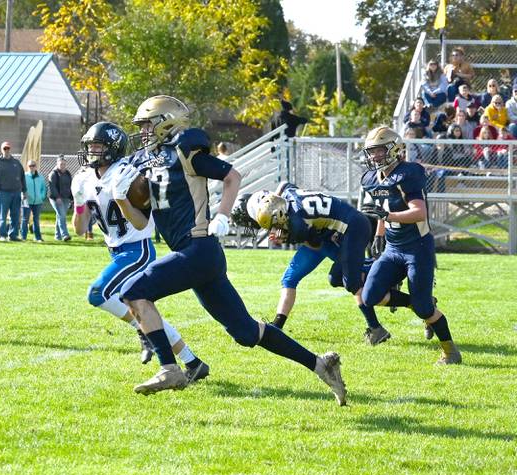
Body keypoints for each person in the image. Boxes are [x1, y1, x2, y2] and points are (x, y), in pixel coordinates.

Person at [115, 95, 346, 405]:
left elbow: (232, 175)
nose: (142, 132)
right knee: (247, 333)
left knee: (133, 291)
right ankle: (321, 364)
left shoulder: (186, 152)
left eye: (147, 125)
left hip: (198, 248)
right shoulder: (149, 162)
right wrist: (122, 200)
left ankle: (169, 368)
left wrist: (222, 214)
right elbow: (142, 223)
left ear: (166, 123)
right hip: (197, 257)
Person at [71, 121, 209, 379]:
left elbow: (142, 222)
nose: (92, 152)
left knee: (97, 293)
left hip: (138, 249)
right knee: (146, 312)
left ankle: (141, 331)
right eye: (89, 147)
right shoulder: (82, 179)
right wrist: (78, 204)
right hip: (115, 251)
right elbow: (79, 229)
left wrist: (123, 199)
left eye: (98, 146)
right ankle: (193, 363)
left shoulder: (126, 173)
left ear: (112, 148)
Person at [359, 126, 461, 364]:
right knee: (370, 295)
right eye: (371, 152)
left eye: (379, 151)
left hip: (417, 248)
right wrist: (378, 236)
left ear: (394, 150)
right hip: (393, 248)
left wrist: (388, 218)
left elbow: (419, 212)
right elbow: (382, 208)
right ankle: (418, 303)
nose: (374, 157)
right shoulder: (372, 178)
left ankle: (450, 352)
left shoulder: (408, 173)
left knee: (424, 309)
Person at [240, 184, 388, 344]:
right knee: (293, 279)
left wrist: (285, 237)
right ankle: (277, 326)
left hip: (338, 234)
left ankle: (386, 281)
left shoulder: (297, 224)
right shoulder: (288, 196)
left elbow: (315, 244)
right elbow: (285, 184)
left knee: (350, 279)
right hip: (324, 232)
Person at [0, 141, 25, 242]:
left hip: (16, 192)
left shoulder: (16, 163)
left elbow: (22, 177)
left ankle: (13, 235)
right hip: (3, 193)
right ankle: (2, 235)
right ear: (1, 150)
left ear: (10, 149)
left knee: (15, 215)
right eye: (4, 148)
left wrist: (24, 191)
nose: (6, 150)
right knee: (3, 215)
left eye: (8, 148)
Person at [48, 154, 73, 241]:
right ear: (57, 164)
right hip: (56, 198)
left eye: (64, 164)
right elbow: (52, 187)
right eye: (61, 164)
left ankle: (57, 236)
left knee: (60, 216)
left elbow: (70, 186)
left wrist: (72, 198)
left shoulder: (68, 173)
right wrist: (57, 197)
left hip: (66, 198)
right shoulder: (53, 174)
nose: (62, 165)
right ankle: (65, 234)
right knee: (62, 215)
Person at [21, 159, 46, 242]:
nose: (32, 167)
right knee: (25, 219)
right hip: (27, 201)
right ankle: (23, 237)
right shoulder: (24, 176)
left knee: (36, 219)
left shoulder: (41, 177)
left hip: (38, 202)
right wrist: (23, 196)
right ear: (27, 167)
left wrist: (41, 197)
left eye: (33, 165)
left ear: (36, 166)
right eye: (30, 166)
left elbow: (43, 188)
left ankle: (38, 237)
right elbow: (21, 187)